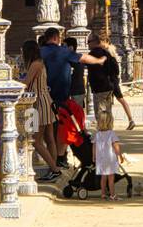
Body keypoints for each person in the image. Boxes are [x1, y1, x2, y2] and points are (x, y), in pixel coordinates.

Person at [40, 28, 106, 164]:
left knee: (46, 132)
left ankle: (50, 159)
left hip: (43, 97)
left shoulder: (40, 52)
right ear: (56, 38)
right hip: (61, 97)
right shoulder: (63, 51)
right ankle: (60, 157)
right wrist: (99, 61)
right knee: (62, 129)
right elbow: (84, 58)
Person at [21, 40, 62, 181]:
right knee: (49, 138)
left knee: (36, 141)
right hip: (46, 101)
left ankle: (55, 169)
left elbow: (26, 84)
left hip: (39, 103)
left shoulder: (35, 64)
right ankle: (53, 168)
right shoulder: (40, 63)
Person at [94, 107, 122, 202]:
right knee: (111, 179)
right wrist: (120, 156)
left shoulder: (97, 134)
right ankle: (112, 194)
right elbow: (116, 146)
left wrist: (93, 157)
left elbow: (94, 146)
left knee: (103, 178)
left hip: (101, 159)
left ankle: (103, 194)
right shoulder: (111, 134)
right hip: (110, 158)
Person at [64, 37, 87, 104]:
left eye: (64, 46)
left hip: (77, 92)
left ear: (71, 47)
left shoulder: (77, 59)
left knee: (78, 112)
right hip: (70, 92)